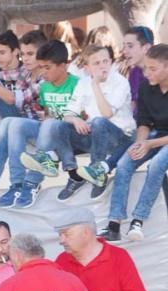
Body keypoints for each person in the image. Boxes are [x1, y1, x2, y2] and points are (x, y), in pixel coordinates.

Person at [0, 40, 78, 209]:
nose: (25, 58)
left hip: (52, 130)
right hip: (33, 124)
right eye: (23, 54)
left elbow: (14, 99)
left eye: (30, 54)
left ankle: (25, 183)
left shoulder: (47, 81)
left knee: (12, 124)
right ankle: (6, 182)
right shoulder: (26, 73)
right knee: (7, 122)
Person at [22, 44, 135, 202]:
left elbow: (107, 114)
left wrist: (95, 84)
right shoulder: (83, 83)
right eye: (96, 63)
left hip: (120, 137)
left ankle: (97, 172)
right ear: (87, 67)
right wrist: (75, 119)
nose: (103, 66)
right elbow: (67, 113)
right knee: (59, 124)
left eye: (105, 61)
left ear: (111, 62)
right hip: (95, 135)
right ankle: (73, 174)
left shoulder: (120, 82)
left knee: (98, 122)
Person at [102, 43, 168, 242]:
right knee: (124, 162)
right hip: (154, 133)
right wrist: (140, 143)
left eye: (153, 68)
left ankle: (137, 220)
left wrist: (150, 144)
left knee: (156, 165)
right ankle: (114, 223)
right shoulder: (146, 87)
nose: (147, 73)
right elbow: (144, 121)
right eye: (145, 68)